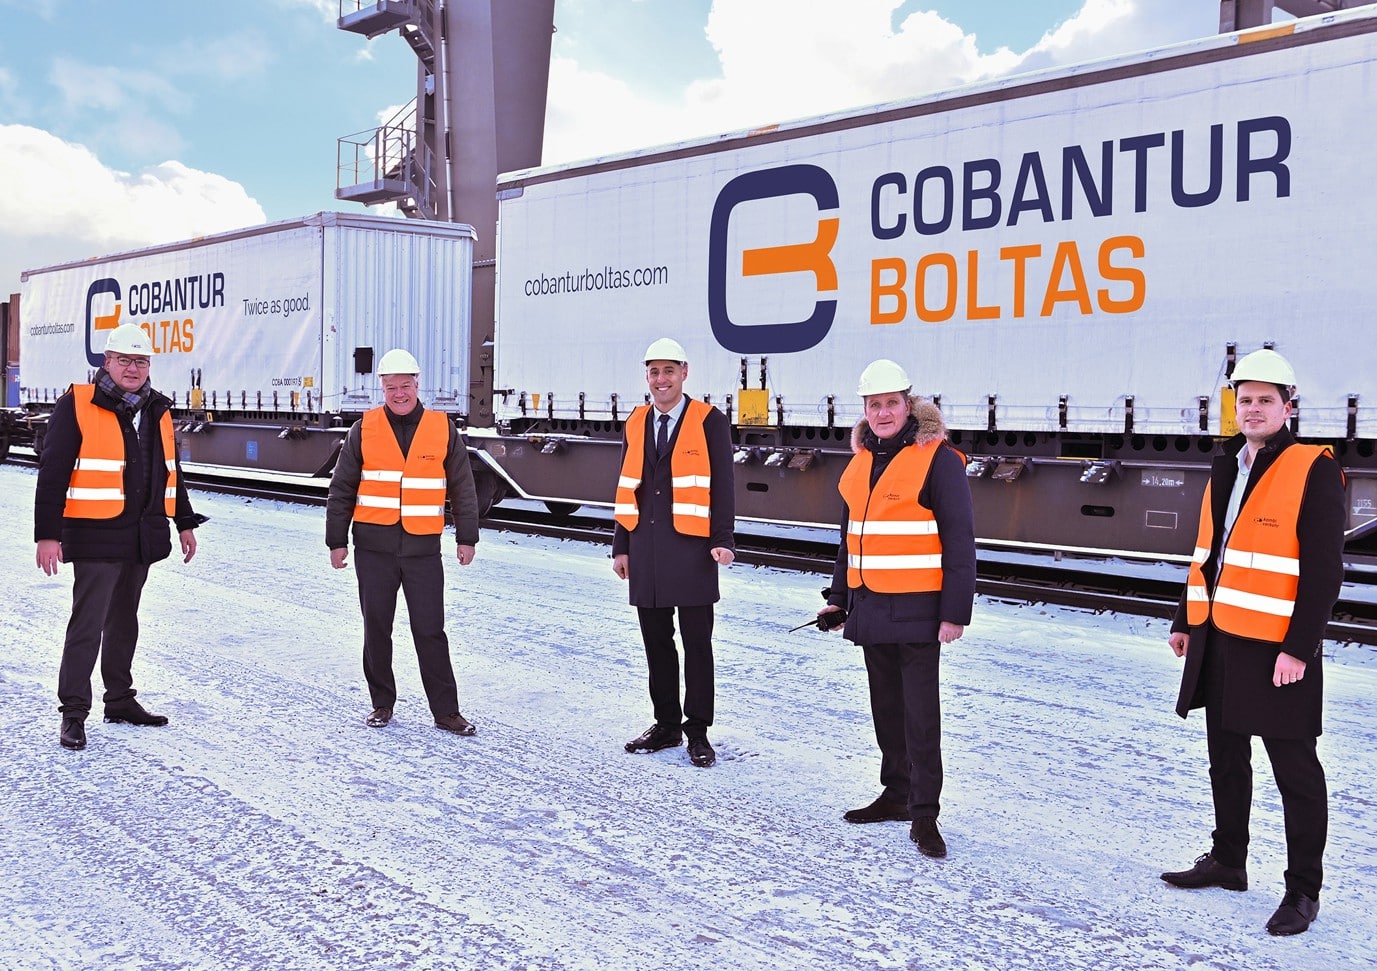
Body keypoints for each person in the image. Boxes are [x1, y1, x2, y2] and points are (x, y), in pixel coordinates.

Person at [1160, 348, 1345, 937]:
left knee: (1295, 769)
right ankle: (1228, 860)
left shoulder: (1313, 468)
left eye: (1267, 400)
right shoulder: (1226, 464)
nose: (1254, 409)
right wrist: (1184, 619)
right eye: (1245, 400)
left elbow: (1324, 571)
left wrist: (1299, 648)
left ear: (1288, 407)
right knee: (1225, 756)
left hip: (1276, 648)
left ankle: (1303, 890)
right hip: (1218, 635)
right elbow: (1208, 552)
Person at [819, 359, 975, 859]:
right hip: (870, 605)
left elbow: (960, 541)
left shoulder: (939, 460)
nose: (883, 413)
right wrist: (838, 599)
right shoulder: (860, 461)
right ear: (864, 410)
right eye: (874, 405)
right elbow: (850, 541)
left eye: (892, 403)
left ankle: (925, 813)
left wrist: (955, 613)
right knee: (886, 709)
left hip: (918, 611)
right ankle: (896, 794)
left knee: (920, 716)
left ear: (909, 405)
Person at [34, 323, 204, 751]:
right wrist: (47, 535)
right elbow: (53, 473)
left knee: (125, 620)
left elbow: (170, 471)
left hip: (140, 533)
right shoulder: (79, 403)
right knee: (88, 623)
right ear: (107, 361)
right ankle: (74, 713)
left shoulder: (156, 408)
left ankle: (120, 699)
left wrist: (184, 521)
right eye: (124, 360)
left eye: (141, 361)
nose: (133, 368)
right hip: (95, 532)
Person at [326, 347, 481, 736]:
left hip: (422, 549)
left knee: (430, 629)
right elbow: (342, 488)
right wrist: (336, 541)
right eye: (391, 387)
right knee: (377, 627)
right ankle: (382, 703)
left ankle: (446, 711)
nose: (399, 394)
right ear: (382, 388)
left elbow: (463, 487)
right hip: (373, 548)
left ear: (417, 384)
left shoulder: (442, 428)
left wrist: (467, 536)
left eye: (405, 386)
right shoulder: (363, 428)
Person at [613, 337, 735, 768]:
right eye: (654, 372)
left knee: (697, 644)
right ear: (647, 377)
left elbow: (723, 486)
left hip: (693, 549)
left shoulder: (710, 420)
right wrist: (621, 546)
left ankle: (697, 730)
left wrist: (723, 539)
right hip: (645, 548)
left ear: (685, 373)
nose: (661, 380)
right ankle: (665, 724)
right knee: (656, 643)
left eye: (669, 371)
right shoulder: (635, 421)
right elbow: (626, 487)